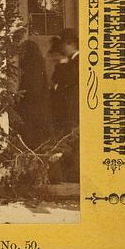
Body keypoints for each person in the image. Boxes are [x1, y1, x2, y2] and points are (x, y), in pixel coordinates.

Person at [49, 28, 80, 182]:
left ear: (72, 44)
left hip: (74, 107)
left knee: (74, 139)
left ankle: (74, 175)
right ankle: (70, 174)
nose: (62, 48)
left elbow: (67, 80)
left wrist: (61, 65)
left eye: (64, 44)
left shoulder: (78, 61)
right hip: (67, 108)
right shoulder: (70, 62)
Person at [16, 40, 54, 150]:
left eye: (22, 53)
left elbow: (32, 93)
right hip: (36, 114)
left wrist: (18, 97)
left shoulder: (32, 71)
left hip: (32, 116)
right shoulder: (36, 68)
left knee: (32, 144)